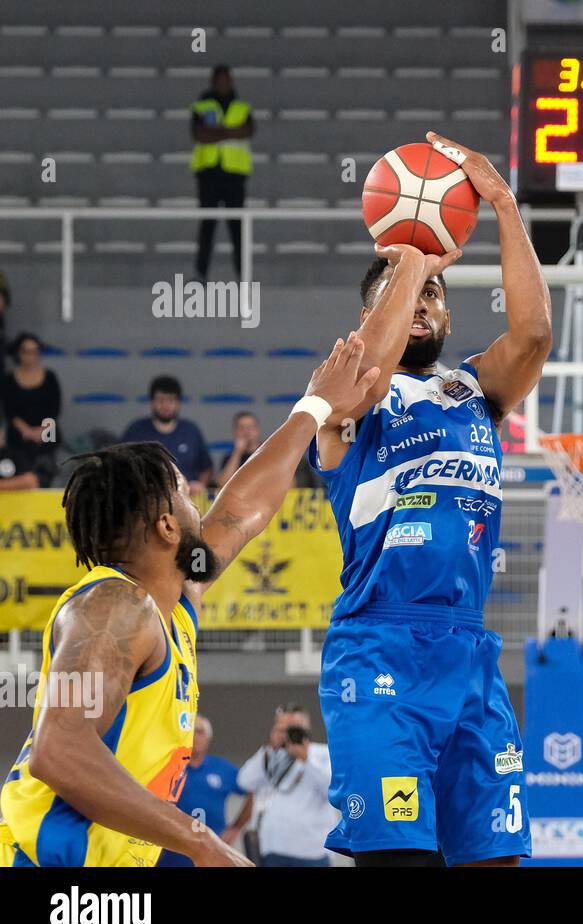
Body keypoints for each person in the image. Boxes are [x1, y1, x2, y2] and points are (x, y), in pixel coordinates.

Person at [0, 335, 379, 866]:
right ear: (166, 525)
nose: (199, 498)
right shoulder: (112, 607)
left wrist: (313, 408)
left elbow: (242, 511)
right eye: (184, 490)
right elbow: (58, 750)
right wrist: (202, 842)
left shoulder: (175, 595)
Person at [312, 132, 550, 868]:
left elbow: (535, 331)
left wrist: (502, 201)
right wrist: (412, 259)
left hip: (467, 650)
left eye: (434, 295)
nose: (421, 302)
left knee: (496, 862)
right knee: (401, 862)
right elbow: (373, 365)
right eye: (399, 296)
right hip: (378, 647)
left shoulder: (475, 389)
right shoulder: (347, 385)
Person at [236, 705, 335, 867]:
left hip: (311, 854)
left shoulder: (322, 753)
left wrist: (306, 759)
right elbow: (243, 781)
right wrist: (269, 749)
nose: (288, 733)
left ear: (306, 727)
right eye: (282, 728)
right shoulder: (270, 756)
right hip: (271, 851)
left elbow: (332, 789)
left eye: (293, 727)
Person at [156, 715, 252, 867]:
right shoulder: (169, 765)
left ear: (208, 738)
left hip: (212, 851)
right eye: (192, 731)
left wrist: (236, 827)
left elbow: (252, 789)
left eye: (200, 732)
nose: (195, 737)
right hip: (170, 852)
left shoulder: (222, 768)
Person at [191, 65, 253, 280]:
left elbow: (247, 131)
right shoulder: (202, 105)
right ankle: (201, 274)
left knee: (237, 227)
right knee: (207, 225)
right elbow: (199, 135)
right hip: (208, 174)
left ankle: (242, 274)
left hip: (234, 176)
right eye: (220, 80)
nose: (223, 84)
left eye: (227, 80)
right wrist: (230, 132)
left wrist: (217, 131)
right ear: (214, 82)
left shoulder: (242, 107)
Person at [122, 375, 213, 493]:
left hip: (187, 498)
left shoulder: (191, 430)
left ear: (178, 402)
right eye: (160, 400)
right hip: (147, 498)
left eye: (171, 400)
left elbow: (206, 467)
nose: (165, 405)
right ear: (152, 402)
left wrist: (201, 484)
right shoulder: (136, 430)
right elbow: (121, 466)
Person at [1, 332, 61, 486]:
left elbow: (54, 408)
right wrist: (26, 430)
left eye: (35, 351)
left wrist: (41, 430)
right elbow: (10, 411)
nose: (31, 356)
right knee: (18, 445)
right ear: (18, 353)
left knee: (49, 440)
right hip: (19, 430)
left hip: (46, 428)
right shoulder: (9, 379)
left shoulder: (50, 377)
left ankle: (47, 481)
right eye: (26, 351)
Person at [214, 410, 318, 489]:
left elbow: (289, 484)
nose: (246, 432)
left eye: (250, 427)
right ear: (235, 432)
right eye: (242, 428)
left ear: (257, 430)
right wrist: (237, 452)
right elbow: (222, 485)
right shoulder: (230, 458)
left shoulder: (269, 453)